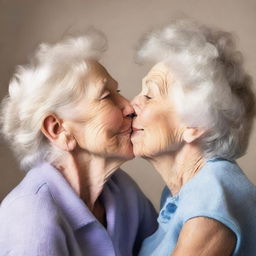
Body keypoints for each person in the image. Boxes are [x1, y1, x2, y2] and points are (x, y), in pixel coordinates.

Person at [0, 29, 157, 256]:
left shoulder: (122, 190)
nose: (129, 106)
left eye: (118, 91)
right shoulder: (32, 218)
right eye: (106, 96)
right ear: (58, 129)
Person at [131, 19, 256, 256]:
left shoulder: (212, 195)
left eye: (149, 95)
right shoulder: (186, 192)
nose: (131, 104)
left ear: (195, 124)